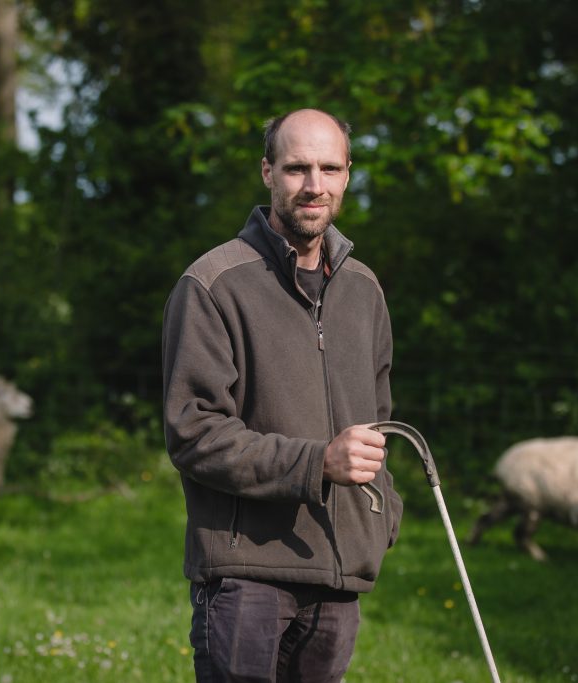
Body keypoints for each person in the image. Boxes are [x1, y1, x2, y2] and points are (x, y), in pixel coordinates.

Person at [162, 108, 403, 682]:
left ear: (347, 175)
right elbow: (194, 432)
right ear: (267, 172)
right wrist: (316, 462)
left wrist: (381, 516)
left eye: (329, 168)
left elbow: (380, 422)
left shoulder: (365, 290)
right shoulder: (213, 284)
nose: (314, 185)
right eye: (297, 168)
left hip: (338, 576)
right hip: (247, 577)